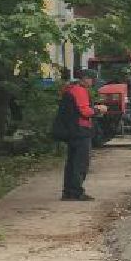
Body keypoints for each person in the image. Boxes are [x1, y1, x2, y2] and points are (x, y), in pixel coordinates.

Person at [56, 68, 105, 201]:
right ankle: (76, 192)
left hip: (71, 131)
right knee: (81, 163)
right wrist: (98, 109)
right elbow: (84, 111)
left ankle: (68, 192)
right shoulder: (79, 90)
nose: (93, 82)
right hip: (80, 131)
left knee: (71, 162)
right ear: (85, 79)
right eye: (92, 80)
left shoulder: (70, 89)